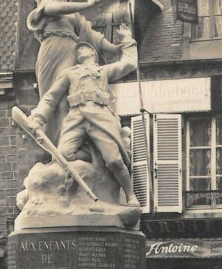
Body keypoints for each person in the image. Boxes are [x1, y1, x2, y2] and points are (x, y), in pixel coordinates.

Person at [27, 23, 139, 206]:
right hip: (76, 117)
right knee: (62, 155)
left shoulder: (103, 71)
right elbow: (51, 97)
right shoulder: (69, 73)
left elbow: (129, 64)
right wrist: (39, 118)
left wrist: (127, 40)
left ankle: (130, 195)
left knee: (114, 160)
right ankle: (97, 157)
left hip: (100, 115)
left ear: (93, 54)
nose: (80, 50)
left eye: (84, 48)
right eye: (78, 50)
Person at [27, 0, 122, 142]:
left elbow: (92, 36)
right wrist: (89, 3)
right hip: (50, 52)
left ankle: (65, 142)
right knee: (48, 95)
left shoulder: (76, 16)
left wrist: (116, 48)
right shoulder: (47, 4)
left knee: (65, 99)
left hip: (70, 53)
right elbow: (59, 8)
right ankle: (49, 138)